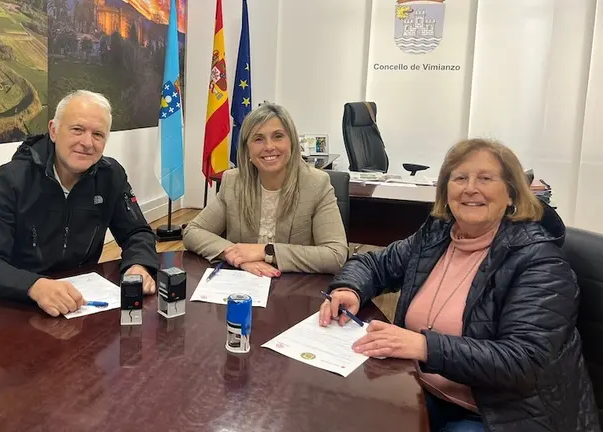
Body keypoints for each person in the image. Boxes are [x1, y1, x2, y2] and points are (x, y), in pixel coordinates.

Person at [320, 138, 600, 432]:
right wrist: (348, 289)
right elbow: (375, 264)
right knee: (341, 412)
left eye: (485, 178)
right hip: (421, 389)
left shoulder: (538, 260)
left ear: (511, 193)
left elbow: (524, 361)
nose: (470, 188)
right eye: (460, 178)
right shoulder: (437, 234)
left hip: (499, 414)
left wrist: (424, 346)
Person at [0, 90, 159, 317]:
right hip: (19, 308)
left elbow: (136, 232)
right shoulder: (10, 180)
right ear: (53, 130)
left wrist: (139, 264)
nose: (87, 143)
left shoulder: (110, 176)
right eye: (77, 129)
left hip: (81, 305)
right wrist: (34, 286)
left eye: (98, 134)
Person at [183, 102, 348, 276]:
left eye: (278, 136)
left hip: (295, 289)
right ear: (247, 149)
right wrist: (236, 256)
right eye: (258, 139)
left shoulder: (316, 184)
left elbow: (335, 255)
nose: (269, 146)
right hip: (244, 286)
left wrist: (266, 252)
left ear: (291, 142)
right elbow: (192, 231)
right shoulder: (234, 182)